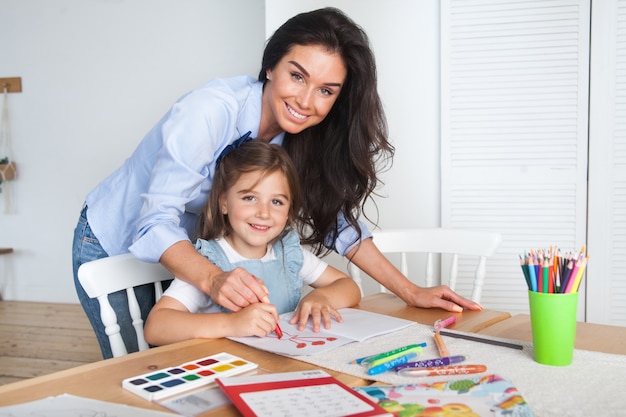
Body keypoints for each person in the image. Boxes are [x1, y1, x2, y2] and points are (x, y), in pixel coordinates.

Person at [73, 7, 481, 359]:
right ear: (270, 65)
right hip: (118, 238)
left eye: (326, 90)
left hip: (195, 250)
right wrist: (214, 278)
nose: (306, 101)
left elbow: (340, 225)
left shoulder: (300, 139)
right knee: (145, 365)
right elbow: (154, 222)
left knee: (198, 355)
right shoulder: (210, 111)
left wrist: (409, 291)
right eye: (297, 76)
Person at [144, 140, 361, 345]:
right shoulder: (208, 263)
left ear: (289, 211)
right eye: (250, 198)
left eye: (276, 201)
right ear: (224, 203)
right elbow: (156, 327)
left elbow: (349, 287)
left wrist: (322, 297)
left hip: (279, 368)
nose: (264, 213)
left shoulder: (290, 254)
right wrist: (231, 324)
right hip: (228, 371)